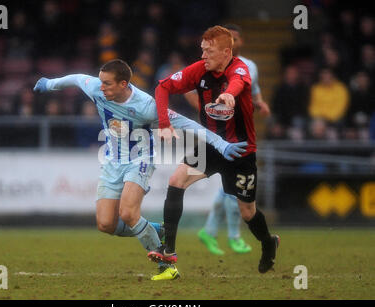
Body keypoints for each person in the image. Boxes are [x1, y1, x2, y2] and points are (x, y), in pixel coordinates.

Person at [33, 59, 247, 280]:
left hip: (140, 160)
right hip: (112, 162)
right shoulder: (96, 87)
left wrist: (221, 144)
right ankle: (157, 229)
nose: (101, 87)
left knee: (127, 214)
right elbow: (76, 78)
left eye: (107, 83)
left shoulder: (146, 106)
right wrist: (50, 84)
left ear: (123, 84)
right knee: (106, 224)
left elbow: (187, 124)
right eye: (101, 82)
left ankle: (167, 266)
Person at [148, 26, 280, 274]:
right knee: (177, 180)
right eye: (202, 50)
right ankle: (169, 251)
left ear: (226, 52)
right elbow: (162, 87)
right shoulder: (199, 70)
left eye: (208, 51)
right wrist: (164, 124)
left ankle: (268, 243)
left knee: (247, 211)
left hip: (240, 151)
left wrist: (229, 95)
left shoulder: (240, 68)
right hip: (209, 146)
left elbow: (239, 82)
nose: (203, 56)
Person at [194, 24, 271, 255]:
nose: (232, 42)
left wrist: (259, 103)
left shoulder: (249, 67)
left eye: (235, 38)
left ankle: (210, 230)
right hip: (217, 134)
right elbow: (193, 90)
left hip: (240, 135)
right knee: (231, 190)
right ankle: (233, 236)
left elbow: (252, 89)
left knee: (229, 191)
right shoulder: (207, 67)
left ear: (239, 42)